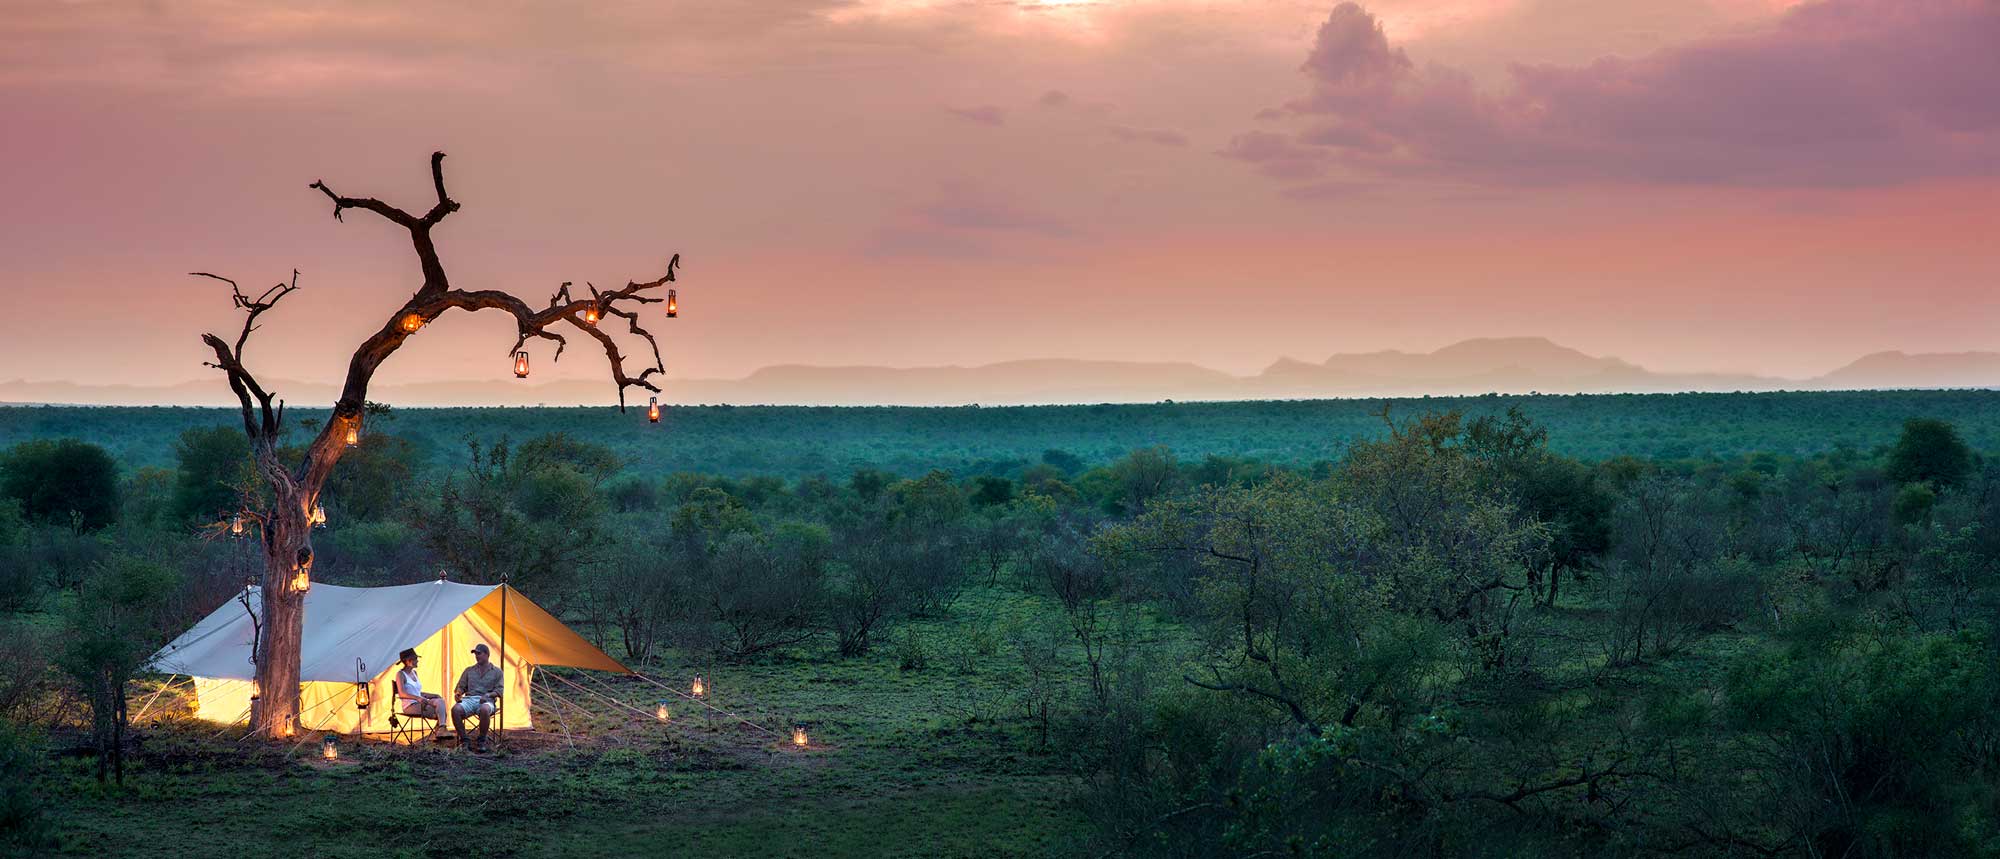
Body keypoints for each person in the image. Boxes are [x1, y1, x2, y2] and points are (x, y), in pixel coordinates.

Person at [452, 642, 503, 752]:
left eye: (479, 653)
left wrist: (488, 695)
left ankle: (481, 741)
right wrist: (458, 693)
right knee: (455, 709)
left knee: (485, 709)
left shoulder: (497, 672)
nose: (476, 656)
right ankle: (464, 740)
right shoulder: (469, 670)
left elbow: (500, 691)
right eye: (475, 654)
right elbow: (461, 687)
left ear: (486, 654)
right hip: (469, 699)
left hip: (487, 700)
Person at [392, 648, 446, 740]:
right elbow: (401, 694)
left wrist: (433, 695)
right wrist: (417, 698)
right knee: (440, 712)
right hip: (410, 706)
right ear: (409, 661)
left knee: (440, 702)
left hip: (420, 702)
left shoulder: (414, 673)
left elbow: (417, 692)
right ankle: (438, 733)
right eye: (415, 659)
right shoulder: (400, 674)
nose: (417, 661)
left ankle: (440, 731)